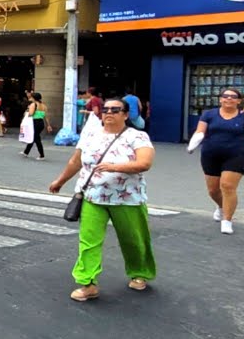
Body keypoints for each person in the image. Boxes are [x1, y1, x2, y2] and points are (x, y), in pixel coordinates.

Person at [48, 98, 156, 301]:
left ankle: (139, 273)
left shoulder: (137, 137)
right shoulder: (90, 136)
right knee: (88, 241)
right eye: (106, 110)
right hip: (92, 196)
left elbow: (145, 163)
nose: (109, 113)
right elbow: (75, 161)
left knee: (134, 240)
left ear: (125, 114)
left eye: (116, 110)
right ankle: (87, 282)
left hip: (127, 199)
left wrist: (114, 166)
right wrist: (60, 181)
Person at [189, 88, 244, 235]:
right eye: (225, 96)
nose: (229, 99)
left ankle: (227, 220)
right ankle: (222, 207)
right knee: (213, 190)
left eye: (233, 97)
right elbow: (200, 131)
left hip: (236, 156)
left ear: (239, 101)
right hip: (211, 155)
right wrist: (193, 144)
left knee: (227, 186)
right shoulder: (209, 114)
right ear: (220, 99)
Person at [21, 92, 48, 160]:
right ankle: (26, 152)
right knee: (33, 137)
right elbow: (46, 116)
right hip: (41, 123)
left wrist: (28, 109)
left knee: (36, 139)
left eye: (31, 97)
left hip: (35, 122)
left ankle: (42, 155)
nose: (30, 98)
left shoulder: (33, 104)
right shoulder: (44, 105)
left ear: (34, 98)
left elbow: (31, 114)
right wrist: (48, 125)